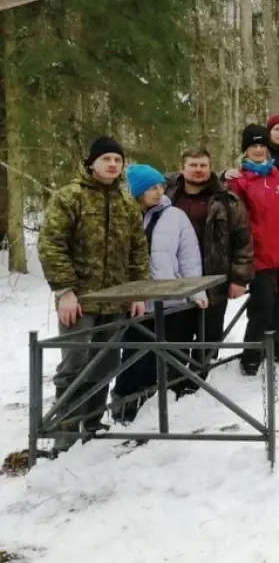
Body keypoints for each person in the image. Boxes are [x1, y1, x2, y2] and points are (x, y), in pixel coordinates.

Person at [38, 137, 149, 446]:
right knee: (75, 364)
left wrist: (137, 292)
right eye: (106, 159)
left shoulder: (126, 203)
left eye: (117, 159)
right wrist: (65, 291)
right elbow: (51, 245)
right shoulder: (69, 197)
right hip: (80, 301)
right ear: (91, 163)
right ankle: (65, 433)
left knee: (106, 364)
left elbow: (138, 251)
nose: (112, 164)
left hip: (115, 300)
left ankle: (92, 423)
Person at [111, 164, 208, 423]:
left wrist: (194, 289)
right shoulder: (122, 216)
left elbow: (188, 257)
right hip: (135, 300)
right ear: (136, 191)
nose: (157, 192)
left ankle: (157, 403)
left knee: (166, 352)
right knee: (133, 353)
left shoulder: (175, 216)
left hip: (170, 298)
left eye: (160, 187)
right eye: (151, 188)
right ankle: (124, 402)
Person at [165, 148, 254, 393]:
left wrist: (239, 278)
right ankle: (174, 381)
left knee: (209, 333)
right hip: (175, 280)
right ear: (182, 168)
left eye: (203, 165)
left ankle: (197, 380)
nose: (198, 170)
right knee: (177, 332)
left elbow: (243, 240)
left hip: (214, 278)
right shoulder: (166, 195)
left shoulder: (226, 199)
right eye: (193, 165)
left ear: (210, 167)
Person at [227, 124, 279, 374]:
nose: (259, 150)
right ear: (245, 150)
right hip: (259, 254)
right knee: (262, 305)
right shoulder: (239, 181)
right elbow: (237, 221)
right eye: (254, 146)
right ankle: (251, 353)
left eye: (262, 145)